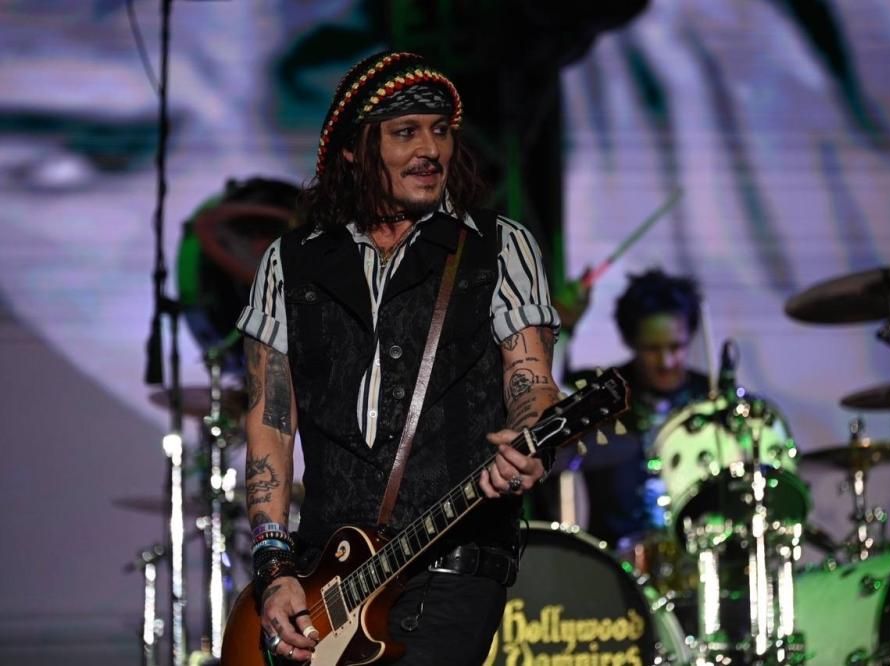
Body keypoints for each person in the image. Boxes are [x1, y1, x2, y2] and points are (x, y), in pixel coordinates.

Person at [236, 51, 561, 664]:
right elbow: (270, 424)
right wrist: (274, 565)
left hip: (455, 567)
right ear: (354, 149)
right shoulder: (291, 263)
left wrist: (531, 438)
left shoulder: (498, 247)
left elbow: (531, 382)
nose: (430, 150)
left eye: (441, 130)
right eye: (406, 132)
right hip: (329, 581)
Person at [547, 269, 709, 548]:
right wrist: (561, 328)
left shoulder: (710, 396)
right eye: (652, 349)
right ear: (630, 340)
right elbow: (546, 405)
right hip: (612, 560)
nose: (666, 362)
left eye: (676, 347)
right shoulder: (605, 392)